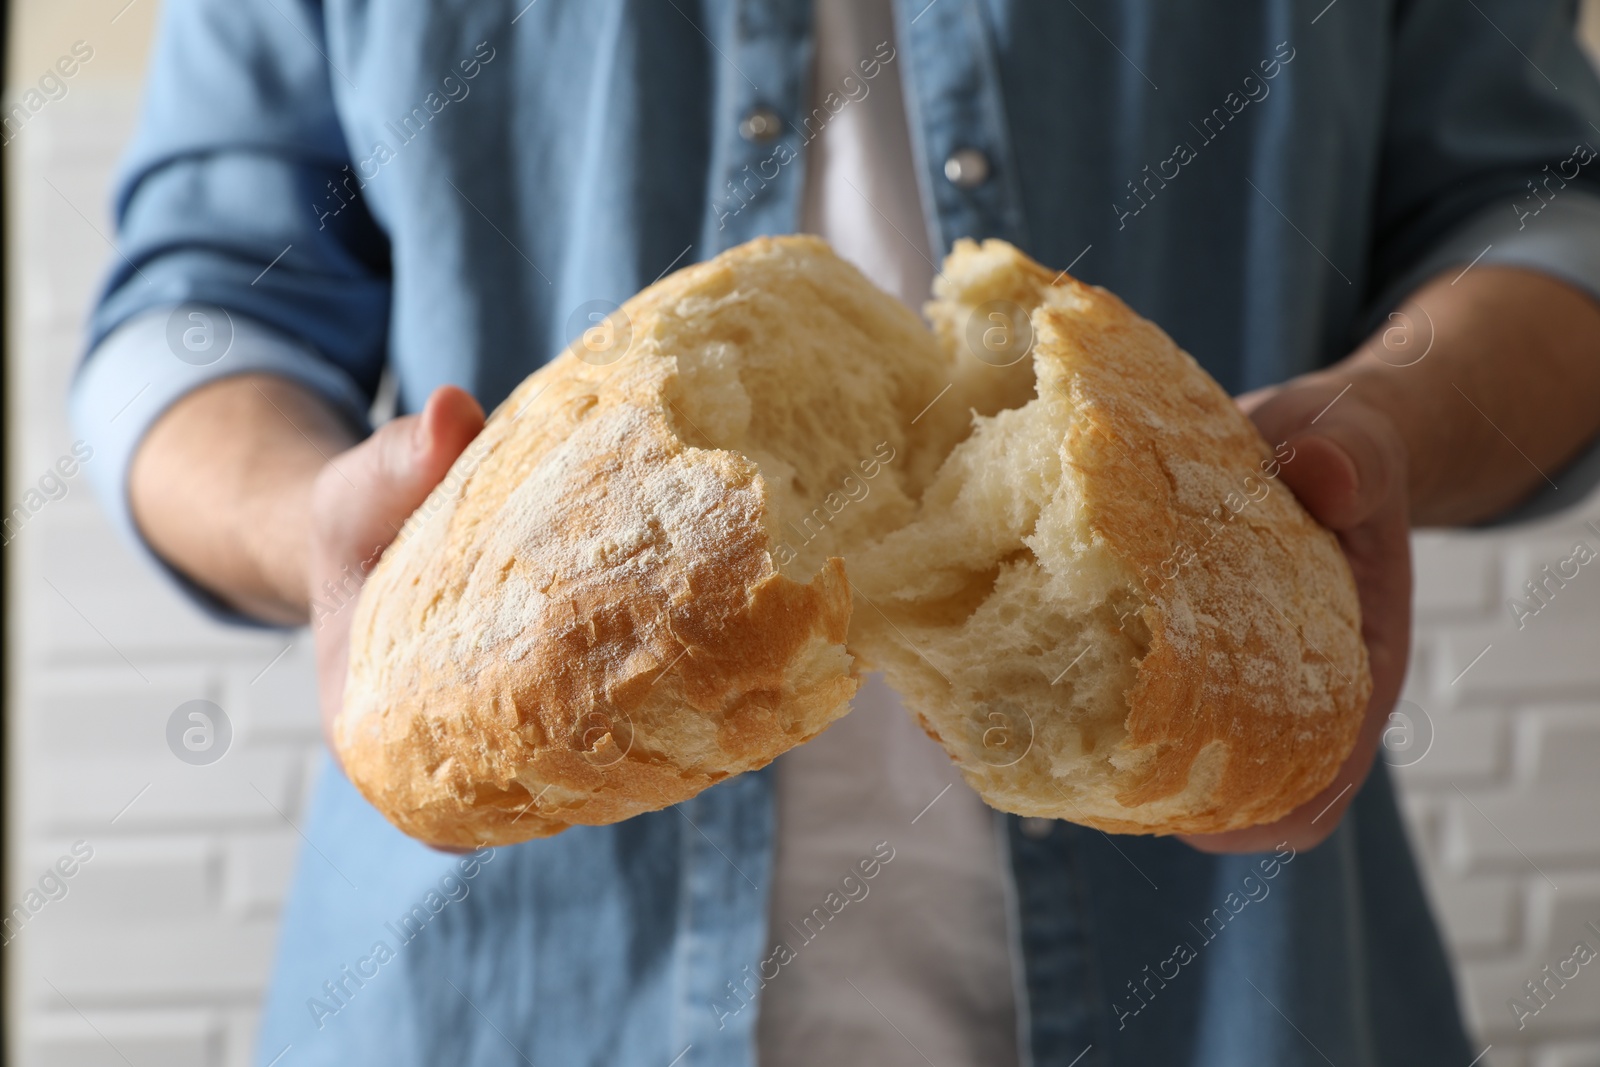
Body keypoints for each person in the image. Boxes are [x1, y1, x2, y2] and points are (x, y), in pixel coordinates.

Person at [71, 0, 1600, 1064]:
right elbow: (194, 306)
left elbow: (1545, 215)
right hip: (499, 1002)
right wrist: (306, 524)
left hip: (1224, 989)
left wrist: (1385, 421)